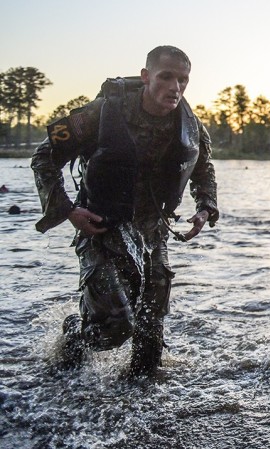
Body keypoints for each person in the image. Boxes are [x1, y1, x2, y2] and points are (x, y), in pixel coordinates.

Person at [31, 45, 219, 376]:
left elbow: (203, 168)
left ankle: (142, 398)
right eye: (166, 77)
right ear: (146, 77)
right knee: (115, 326)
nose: (175, 87)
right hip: (101, 228)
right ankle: (76, 332)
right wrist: (68, 211)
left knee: (150, 327)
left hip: (152, 230)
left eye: (183, 80)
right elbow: (44, 156)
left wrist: (205, 207)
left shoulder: (190, 125)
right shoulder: (102, 112)